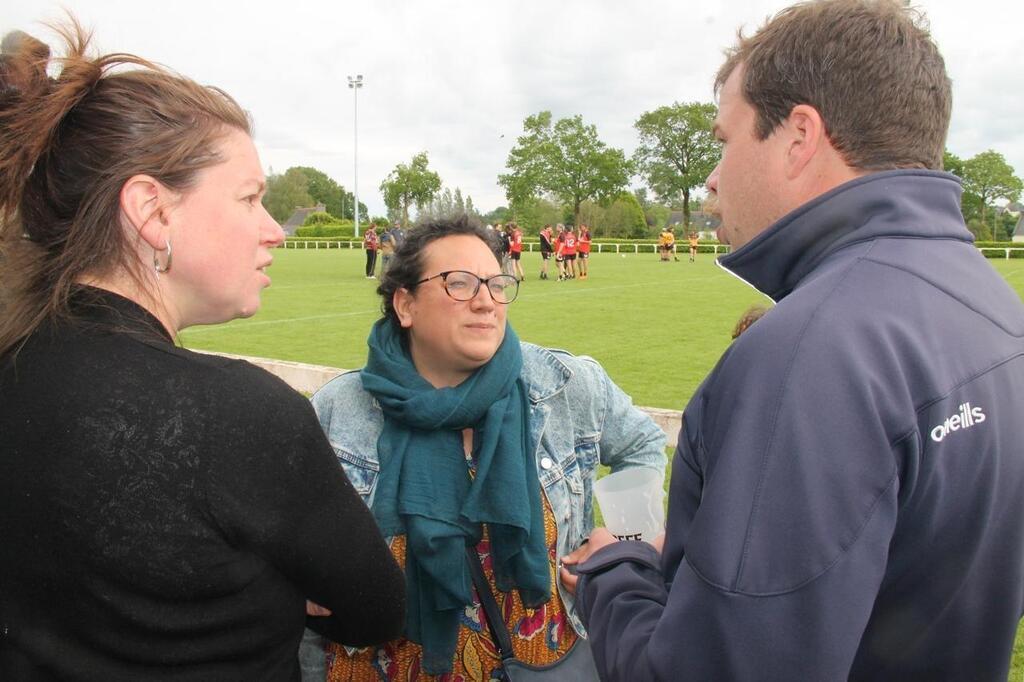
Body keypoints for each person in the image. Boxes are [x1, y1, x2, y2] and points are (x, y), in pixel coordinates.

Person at [563, 1, 1024, 680]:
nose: (714, 176)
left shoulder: (809, 353)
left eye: (726, 139)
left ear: (799, 135)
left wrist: (616, 574)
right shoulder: (991, 302)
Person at [0, 22, 405, 680]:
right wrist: (276, 590)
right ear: (153, 212)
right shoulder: (238, 415)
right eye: (250, 198)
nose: (273, 230)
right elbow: (376, 611)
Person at [299, 215, 667, 680]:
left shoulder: (566, 385)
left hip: (545, 662)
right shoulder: (339, 411)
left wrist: (625, 538)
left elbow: (644, 443)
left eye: (497, 283)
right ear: (405, 304)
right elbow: (285, 546)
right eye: (459, 284)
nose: (486, 302)